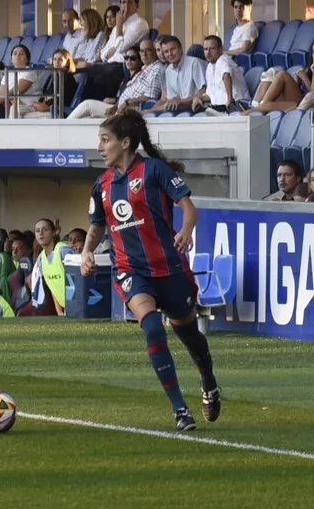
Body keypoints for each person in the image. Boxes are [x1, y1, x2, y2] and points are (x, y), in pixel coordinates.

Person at [81, 109, 220, 431]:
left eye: (105, 140)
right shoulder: (101, 184)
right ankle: (180, 410)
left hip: (170, 269)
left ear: (126, 143)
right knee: (153, 327)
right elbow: (97, 225)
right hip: (131, 271)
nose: (100, 147)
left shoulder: (154, 170)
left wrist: (185, 232)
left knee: (188, 334)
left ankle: (208, 381)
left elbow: (189, 208)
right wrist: (87, 252)